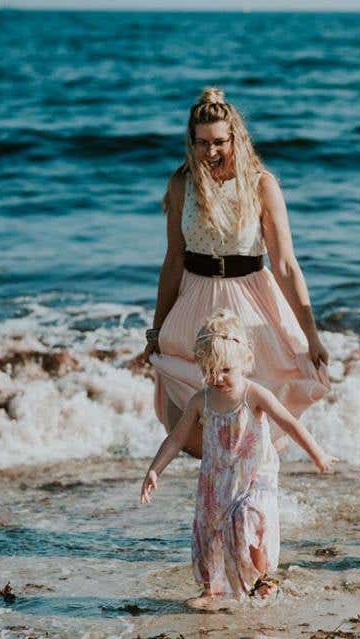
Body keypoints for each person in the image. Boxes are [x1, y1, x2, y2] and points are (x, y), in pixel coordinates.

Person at [146, 87, 329, 458]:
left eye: (218, 142)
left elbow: (285, 265)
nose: (210, 152)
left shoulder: (262, 184)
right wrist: (156, 327)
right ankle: (220, 495)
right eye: (201, 143)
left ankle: (255, 499)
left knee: (252, 414)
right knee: (196, 422)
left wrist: (312, 336)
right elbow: (173, 261)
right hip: (194, 300)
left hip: (249, 300)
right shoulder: (182, 184)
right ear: (191, 141)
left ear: (236, 137)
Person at [140, 310, 337, 607]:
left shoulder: (253, 394)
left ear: (246, 361)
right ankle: (211, 590)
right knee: (210, 531)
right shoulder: (201, 399)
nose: (217, 378)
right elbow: (177, 438)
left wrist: (317, 454)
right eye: (209, 370)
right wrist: (155, 470)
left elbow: (289, 423)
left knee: (248, 517)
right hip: (217, 479)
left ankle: (263, 580)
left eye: (225, 370)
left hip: (255, 475)